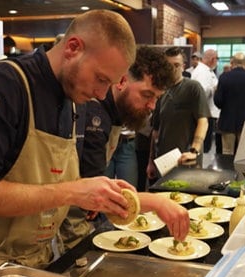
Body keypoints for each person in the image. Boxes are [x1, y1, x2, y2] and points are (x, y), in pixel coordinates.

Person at [0, 9, 139, 277]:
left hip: (35, 264)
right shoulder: (3, 87)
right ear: (73, 48)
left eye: (109, 84)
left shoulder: (72, 99)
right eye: (100, 78)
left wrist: (101, 194)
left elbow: (55, 183)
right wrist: (73, 191)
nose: (101, 94)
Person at [60, 46, 189, 250]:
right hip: (66, 222)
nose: (152, 106)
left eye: (156, 98)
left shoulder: (115, 114)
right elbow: (96, 194)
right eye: (147, 95)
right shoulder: (95, 115)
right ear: (122, 81)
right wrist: (157, 203)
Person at [147, 47, 210, 181]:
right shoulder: (161, 91)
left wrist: (194, 151)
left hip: (187, 160)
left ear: (183, 66)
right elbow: (155, 131)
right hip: (164, 162)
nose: (173, 69)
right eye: (169, 66)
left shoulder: (193, 87)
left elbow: (203, 121)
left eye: (176, 65)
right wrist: (151, 161)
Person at [214, 52, 245, 155]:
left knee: (227, 152)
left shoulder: (224, 77)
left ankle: (227, 171)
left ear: (232, 62)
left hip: (227, 120)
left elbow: (218, 101)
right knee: (244, 154)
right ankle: (243, 172)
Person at [191, 49, 219, 154]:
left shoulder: (206, 71)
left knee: (206, 147)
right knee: (204, 148)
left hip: (207, 113)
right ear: (212, 59)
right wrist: (214, 88)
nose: (217, 61)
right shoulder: (203, 72)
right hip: (204, 114)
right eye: (217, 58)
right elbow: (201, 93)